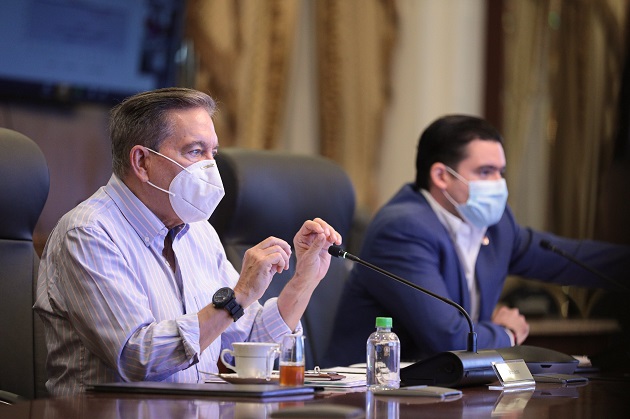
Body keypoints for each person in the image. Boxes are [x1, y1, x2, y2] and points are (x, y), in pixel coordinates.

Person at [34, 87, 342, 396]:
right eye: (195, 151)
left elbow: (248, 344)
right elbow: (137, 358)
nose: (210, 168)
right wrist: (238, 295)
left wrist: (304, 279)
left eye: (213, 153)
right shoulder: (88, 233)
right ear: (142, 162)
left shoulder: (199, 231)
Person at [324, 114, 630, 367]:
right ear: (441, 176)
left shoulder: (497, 225)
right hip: (369, 395)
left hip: (449, 393)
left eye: (501, 172)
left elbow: (567, 257)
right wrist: (507, 332)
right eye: (485, 172)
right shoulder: (403, 229)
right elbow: (449, 338)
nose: (498, 184)